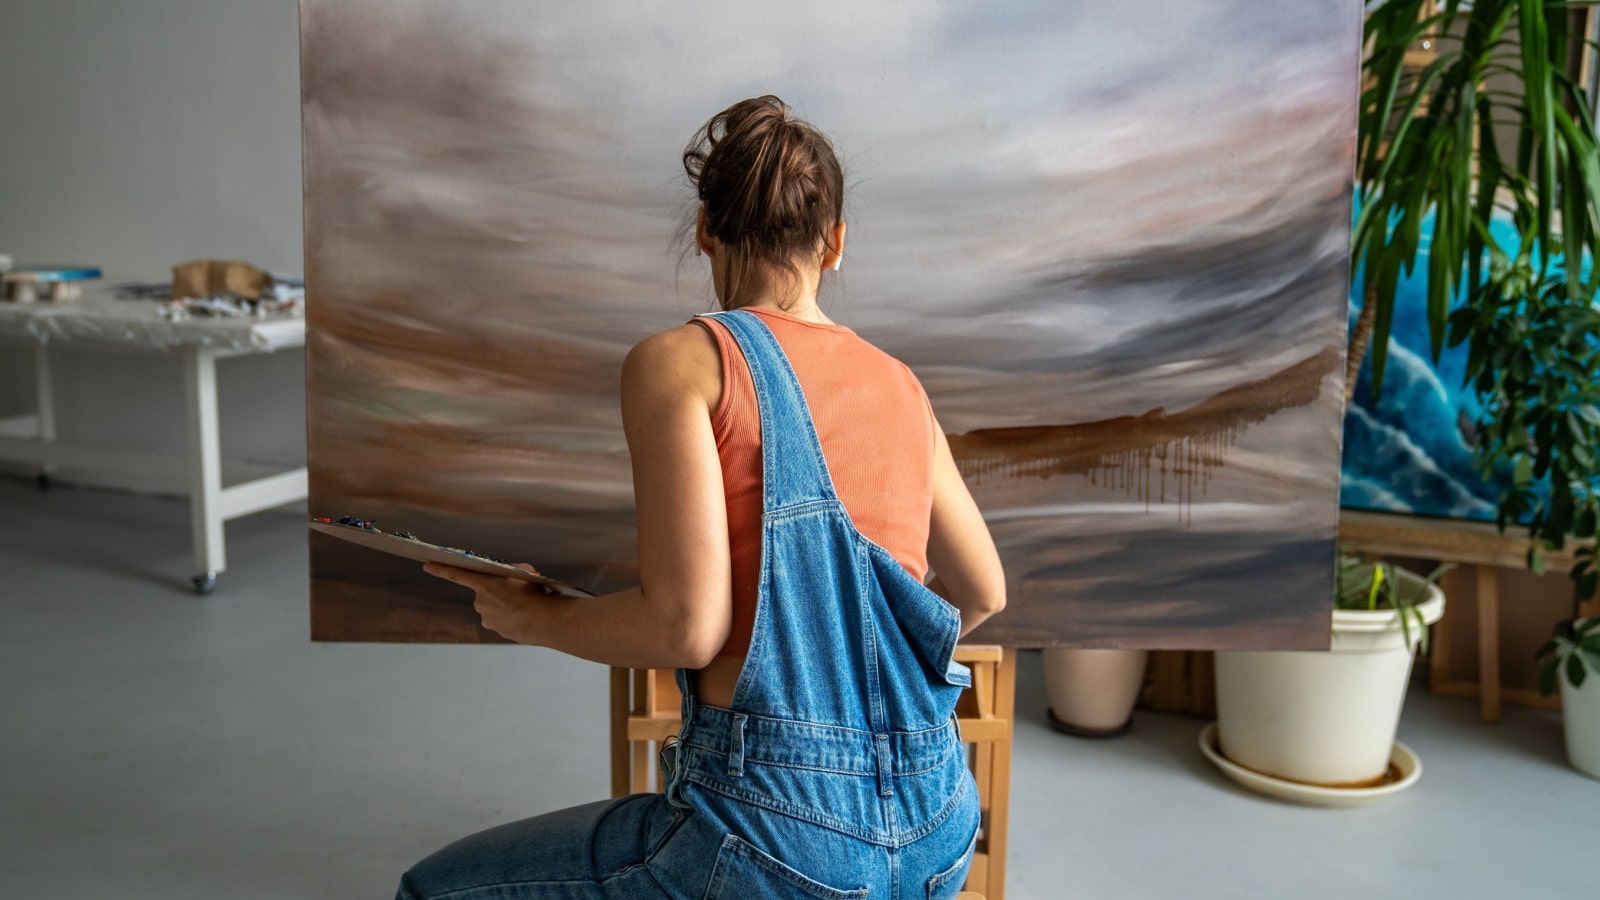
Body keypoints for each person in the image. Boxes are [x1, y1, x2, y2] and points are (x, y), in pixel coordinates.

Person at [403, 95, 1006, 900]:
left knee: (432, 891)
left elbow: (687, 628)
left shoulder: (680, 363)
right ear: (835, 244)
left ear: (705, 230)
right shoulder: (903, 386)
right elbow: (984, 592)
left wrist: (535, 615)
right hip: (938, 826)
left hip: (774, 837)